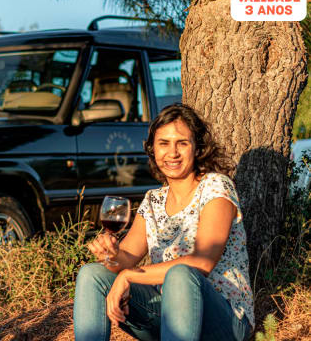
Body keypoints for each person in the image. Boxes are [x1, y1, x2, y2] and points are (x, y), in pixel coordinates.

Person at [73, 104, 254, 341]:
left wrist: (127, 276)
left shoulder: (215, 187)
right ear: (152, 149)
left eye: (182, 143)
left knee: (180, 274)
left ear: (197, 148)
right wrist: (111, 255)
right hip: (167, 314)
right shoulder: (153, 200)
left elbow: (202, 262)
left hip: (225, 321)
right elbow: (126, 257)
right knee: (91, 273)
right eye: (163, 143)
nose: (173, 153)